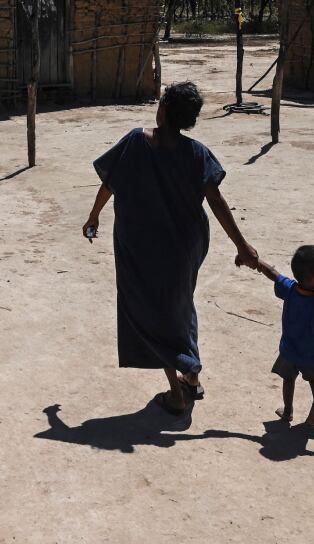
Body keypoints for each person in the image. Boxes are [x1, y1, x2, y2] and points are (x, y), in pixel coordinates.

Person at [83, 81, 257, 415]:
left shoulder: (136, 141)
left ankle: (177, 393)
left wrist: (94, 217)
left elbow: (109, 183)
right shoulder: (197, 153)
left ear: (162, 110)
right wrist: (241, 244)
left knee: (153, 312)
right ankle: (190, 373)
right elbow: (216, 201)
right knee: (179, 305)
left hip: (142, 246)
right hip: (186, 246)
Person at [241, 245, 314, 432]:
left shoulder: (290, 289)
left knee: (288, 379)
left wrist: (255, 262)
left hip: (289, 349)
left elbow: (272, 273)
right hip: (310, 353)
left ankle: (288, 411)